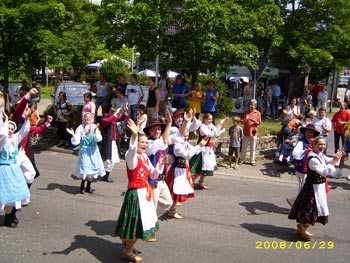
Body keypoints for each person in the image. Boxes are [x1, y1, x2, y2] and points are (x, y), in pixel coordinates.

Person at [115, 119, 164, 262]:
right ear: (136, 143)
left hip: (145, 194)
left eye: (146, 143)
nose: (145, 145)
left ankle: (127, 245)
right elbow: (131, 149)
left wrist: (160, 166)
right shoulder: (132, 157)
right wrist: (134, 135)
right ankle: (127, 251)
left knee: (136, 224)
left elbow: (153, 174)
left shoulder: (144, 157)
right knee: (137, 225)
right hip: (136, 195)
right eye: (142, 142)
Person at [288, 136, 343, 240]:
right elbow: (324, 172)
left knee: (316, 209)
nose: (322, 146)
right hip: (312, 189)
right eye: (320, 144)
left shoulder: (320, 155)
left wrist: (338, 156)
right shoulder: (313, 159)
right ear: (314, 145)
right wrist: (335, 161)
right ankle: (302, 229)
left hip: (319, 187)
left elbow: (329, 160)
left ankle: (302, 227)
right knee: (311, 210)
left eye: (323, 144)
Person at [165, 131, 208, 218]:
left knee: (178, 190)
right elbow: (187, 155)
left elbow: (194, 151)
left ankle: (172, 210)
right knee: (174, 190)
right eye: (184, 135)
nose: (186, 137)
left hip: (183, 169)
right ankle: (170, 210)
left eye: (187, 135)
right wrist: (199, 146)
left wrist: (201, 145)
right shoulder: (177, 145)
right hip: (177, 171)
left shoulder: (185, 143)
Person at [0, 110, 31, 227]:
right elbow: (2, 135)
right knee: (7, 194)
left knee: (15, 193)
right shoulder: (2, 141)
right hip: (3, 169)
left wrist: (27, 119)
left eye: (12, 129)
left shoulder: (14, 139)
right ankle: (8, 218)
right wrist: (6, 120)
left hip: (14, 169)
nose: (10, 130)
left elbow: (24, 130)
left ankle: (12, 215)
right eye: (8, 128)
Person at [143, 112, 175, 218]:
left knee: (167, 202)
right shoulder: (149, 144)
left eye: (159, 129)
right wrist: (169, 123)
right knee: (152, 205)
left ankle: (149, 219)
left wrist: (187, 121)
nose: (157, 131)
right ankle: (148, 224)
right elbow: (163, 141)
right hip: (152, 180)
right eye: (154, 129)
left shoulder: (160, 142)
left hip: (161, 179)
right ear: (149, 132)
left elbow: (180, 134)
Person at [67, 112, 105, 194]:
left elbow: (98, 139)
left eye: (89, 117)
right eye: (86, 117)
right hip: (84, 151)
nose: (88, 118)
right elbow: (76, 141)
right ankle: (82, 185)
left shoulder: (94, 127)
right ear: (84, 119)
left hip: (93, 151)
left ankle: (88, 186)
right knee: (84, 167)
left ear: (92, 119)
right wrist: (73, 135)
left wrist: (95, 132)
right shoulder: (80, 127)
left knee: (92, 167)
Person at [191, 113, 228, 190]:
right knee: (200, 168)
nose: (211, 120)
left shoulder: (210, 125)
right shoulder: (202, 127)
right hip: (202, 150)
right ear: (204, 119)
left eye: (211, 119)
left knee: (206, 168)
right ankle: (189, 181)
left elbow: (217, 132)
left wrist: (223, 124)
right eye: (209, 119)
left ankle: (200, 183)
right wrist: (219, 124)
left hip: (208, 150)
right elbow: (211, 134)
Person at [287, 124, 320, 207]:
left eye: (311, 132)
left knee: (306, 187)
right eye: (308, 132)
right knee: (304, 187)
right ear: (305, 132)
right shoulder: (301, 142)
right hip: (302, 169)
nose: (309, 134)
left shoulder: (314, 143)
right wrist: (304, 152)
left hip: (311, 169)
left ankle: (295, 202)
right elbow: (295, 154)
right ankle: (296, 203)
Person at [101, 107, 128, 182]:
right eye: (112, 111)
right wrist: (115, 114)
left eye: (114, 112)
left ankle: (104, 173)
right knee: (110, 160)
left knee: (115, 159)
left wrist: (125, 113)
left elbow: (121, 118)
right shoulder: (105, 118)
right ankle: (105, 175)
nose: (113, 113)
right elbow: (107, 121)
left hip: (113, 141)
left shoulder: (113, 118)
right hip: (108, 142)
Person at [240, 99, 261, 166]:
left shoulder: (257, 113)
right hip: (246, 132)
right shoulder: (245, 112)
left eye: (252, 105)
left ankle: (252, 160)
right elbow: (241, 121)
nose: (251, 106)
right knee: (244, 147)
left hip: (253, 132)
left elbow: (259, 122)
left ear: (255, 106)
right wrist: (246, 119)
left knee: (253, 148)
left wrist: (255, 122)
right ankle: (242, 159)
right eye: (250, 104)